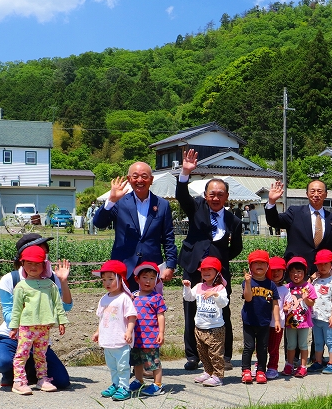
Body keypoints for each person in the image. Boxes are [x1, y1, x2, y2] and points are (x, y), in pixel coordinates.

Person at [177, 150, 243, 371]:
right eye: (212, 194)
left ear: (227, 197)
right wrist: (185, 173)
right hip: (193, 268)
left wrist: (220, 260)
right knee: (191, 311)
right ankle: (193, 355)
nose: (216, 198)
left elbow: (237, 248)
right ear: (205, 195)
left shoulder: (234, 221)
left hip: (219, 273)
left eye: (220, 194)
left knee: (222, 311)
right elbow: (182, 196)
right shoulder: (196, 207)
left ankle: (223, 355)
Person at [0, 234, 73, 390]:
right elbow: (10, 314)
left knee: (62, 381)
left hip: (39, 335)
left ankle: (34, 373)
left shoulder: (51, 281)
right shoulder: (11, 280)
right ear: (23, 258)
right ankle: (13, 374)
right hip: (14, 336)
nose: (39, 256)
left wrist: (63, 281)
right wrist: (28, 321)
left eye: (42, 254)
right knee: (2, 362)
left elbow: (66, 307)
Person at [92, 161, 177, 291]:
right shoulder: (120, 202)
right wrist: (111, 201)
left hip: (151, 270)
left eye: (144, 176)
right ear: (129, 179)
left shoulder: (162, 205)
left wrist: (170, 266)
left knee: (150, 309)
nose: (140, 180)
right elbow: (99, 223)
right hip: (124, 268)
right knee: (123, 309)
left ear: (151, 180)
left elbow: (168, 239)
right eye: (135, 176)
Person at [9, 246, 68, 395]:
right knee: (22, 353)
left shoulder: (50, 285)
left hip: (44, 327)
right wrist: (14, 327)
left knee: (41, 354)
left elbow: (58, 305)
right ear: (23, 264)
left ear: (44, 265)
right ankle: (19, 381)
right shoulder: (21, 286)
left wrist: (61, 321)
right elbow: (16, 309)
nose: (33, 267)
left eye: (37, 263)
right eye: (29, 263)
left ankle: (42, 379)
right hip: (26, 327)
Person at [264, 179, 332, 280]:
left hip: (322, 273)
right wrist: (271, 202)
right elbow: (274, 222)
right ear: (307, 194)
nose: (316, 194)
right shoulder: (295, 213)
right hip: (297, 271)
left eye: (319, 191)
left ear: (325, 194)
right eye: (312, 191)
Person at [92, 260, 137, 401]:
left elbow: (131, 317)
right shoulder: (104, 299)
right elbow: (101, 317)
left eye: (111, 279)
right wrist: (98, 332)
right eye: (104, 280)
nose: (107, 283)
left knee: (123, 366)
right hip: (107, 340)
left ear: (121, 279)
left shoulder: (124, 298)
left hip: (120, 339)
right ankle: (116, 384)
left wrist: (129, 332)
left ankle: (124, 387)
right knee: (112, 365)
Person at [182, 256, 230, 387]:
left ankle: (218, 376)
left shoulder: (220, 288)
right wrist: (187, 287)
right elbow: (189, 298)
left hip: (215, 327)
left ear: (217, 272)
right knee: (203, 352)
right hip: (200, 326)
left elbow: (224, 303)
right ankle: (208, 371)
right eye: (203, 270)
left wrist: (215, 295)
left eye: (210, 269)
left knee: (215, 353)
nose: (206, 272)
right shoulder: (198, 287)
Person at [242, 250, 281, 384]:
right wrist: (247, 283)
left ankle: (261, 371)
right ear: (250, 266)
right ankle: (246, 370)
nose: (259, 265)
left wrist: (276, 320)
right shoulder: (248, 282)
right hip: (249, 321)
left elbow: (274, 303)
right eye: (256, 263)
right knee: (249, 346)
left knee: (262, 347)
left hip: (264, 322)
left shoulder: (270, 285)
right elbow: (248, 298)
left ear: (267, 266)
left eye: (263, 263)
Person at [130, 262, 167, 396]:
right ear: (137, 279)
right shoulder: (133, 296)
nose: (148, 281)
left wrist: (161, 332)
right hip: (136, 336)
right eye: (145, 277)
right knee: (137, 361)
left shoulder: (157, 297)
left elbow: (161, 316)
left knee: (153, 362)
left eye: (152, 278)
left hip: (150, 336)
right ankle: (139, 380)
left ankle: (158, 385)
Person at [282, 257, 317, 378]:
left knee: (302, 344)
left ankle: (302, 366)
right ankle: (289, 365)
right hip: (290, 321)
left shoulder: (309, 287)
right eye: (292, 272)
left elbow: (312, 303)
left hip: (304, 322)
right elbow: (283, 303)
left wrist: (306, 298)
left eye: (299, 272)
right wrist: (285, 308)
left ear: (304, 273)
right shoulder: (287, 288)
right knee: (291, 345)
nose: (295, 274)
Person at [309, 250, 332, 374]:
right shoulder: (315, 280)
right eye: (319, 264)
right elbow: (305, 290)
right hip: (316, 317)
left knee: (329, 341)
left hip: (327, 318)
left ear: (331, 264)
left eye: (325, 264)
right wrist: (311, 278)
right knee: (318, 341)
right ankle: (318, 362)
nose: (322, 267)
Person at [265, 257, 288, 379]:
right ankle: (260, 365)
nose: (276, 273)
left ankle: (273, 367)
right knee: (262, 346)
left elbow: (288, 304)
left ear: (284, 272)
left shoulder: (284, 290)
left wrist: (287, 307)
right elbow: (267, 302)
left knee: (274, 347)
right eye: (273, 270)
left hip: (277, 324)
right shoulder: (267, 287)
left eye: (279, 270)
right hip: (264, 322)